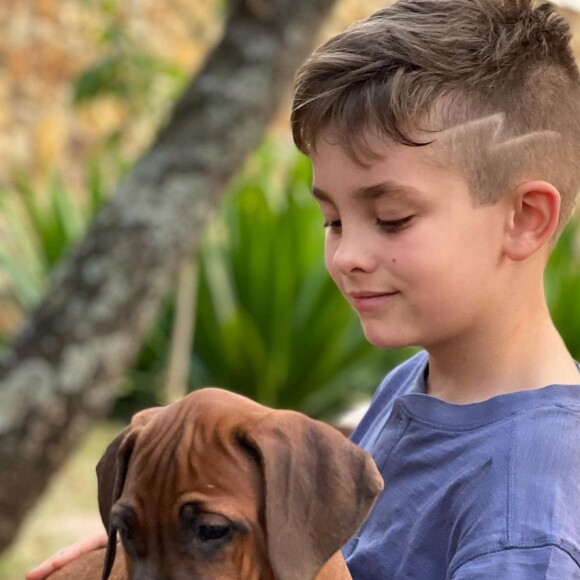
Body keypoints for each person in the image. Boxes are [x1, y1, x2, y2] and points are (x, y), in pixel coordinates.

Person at [27, 0, 580, 578]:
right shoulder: (418, 384)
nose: (346, 256)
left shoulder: (525, 518)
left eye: (391, 218)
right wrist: (160, 539)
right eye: (333, 220)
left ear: (525, 218)